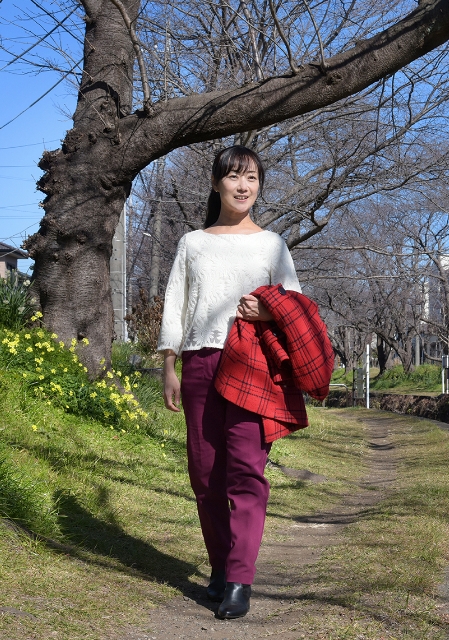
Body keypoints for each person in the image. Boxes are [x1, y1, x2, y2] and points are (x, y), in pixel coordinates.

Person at [157, 145, 301, 620]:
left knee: (246, 472)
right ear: (217, 183)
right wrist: (169, 365)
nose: (244, 186)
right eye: (235, 177)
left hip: (254, 366)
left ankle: (239, 579)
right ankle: (219, 568)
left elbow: (296, 308)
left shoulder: (272, 245)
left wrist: (268, 309)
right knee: (205, 476)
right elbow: (175, 304)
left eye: (252, 178)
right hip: (200, 363)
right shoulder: (193, 243)